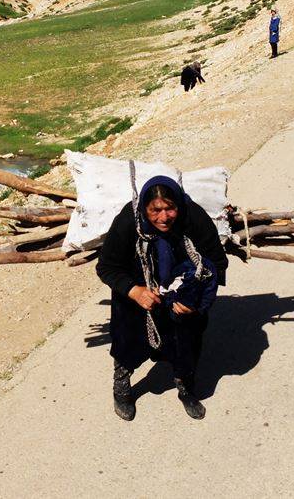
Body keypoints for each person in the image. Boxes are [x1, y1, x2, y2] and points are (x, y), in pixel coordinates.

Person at [97, 174, 227, 421]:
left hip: (181, 294)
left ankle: (185, 387)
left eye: (170, 208)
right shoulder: (128, 222)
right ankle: (122, 387)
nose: (164, 217)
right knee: (127, 339)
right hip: (135, 293)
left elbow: (217, 263)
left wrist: (197, 302)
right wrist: (135, 291)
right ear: (144, 208)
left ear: (179, 204)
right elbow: (107, 267)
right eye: (155, 210)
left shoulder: (193, 218)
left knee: (186, 340)